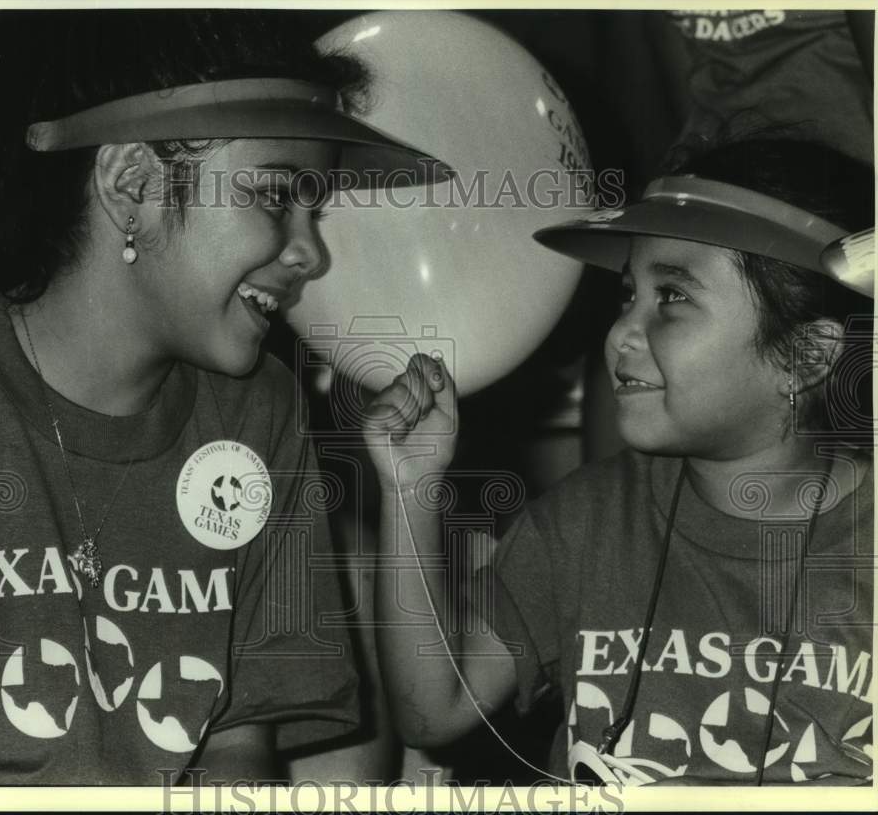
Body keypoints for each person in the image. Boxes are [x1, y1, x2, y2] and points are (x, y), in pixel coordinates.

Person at [0, 9, 447, 785]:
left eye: (313, 210)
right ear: (132, 184)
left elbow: (236, 746)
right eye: (275, 197)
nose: (310, 252)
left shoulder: (260, 416)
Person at [363, 138, 874, 785]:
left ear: (806, 356)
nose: (620, 333)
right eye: (628, 295)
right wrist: (409, 488)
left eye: (673, 298)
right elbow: (430, 712)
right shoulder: (588, 522)